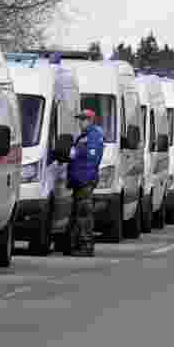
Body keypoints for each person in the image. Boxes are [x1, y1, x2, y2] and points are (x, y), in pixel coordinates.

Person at [67, 108, 104, 255]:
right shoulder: (84, 136)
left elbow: (91, 159)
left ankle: (86, 246)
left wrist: (82, 177)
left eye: (84, 119)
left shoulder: (93, 136)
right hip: (79, 180)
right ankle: (76, 245)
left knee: (84, 214)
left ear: (91, 120)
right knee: (79, 214)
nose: (81, 122)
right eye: (80, 119)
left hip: (85, 180)